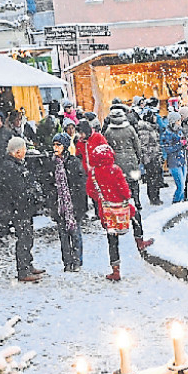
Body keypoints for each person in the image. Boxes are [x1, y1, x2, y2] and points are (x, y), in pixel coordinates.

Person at [0, 137, 45, 282]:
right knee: (24, 238)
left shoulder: (15, 164)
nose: (25, 151)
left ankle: (28, 264)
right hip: (19, 209)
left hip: (23, 208)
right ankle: (23, 270)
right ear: (17, 151)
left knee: (28, 237)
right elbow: (18, 190)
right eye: (23, 149)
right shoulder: (10, 167)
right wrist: (30, 196)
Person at [87, 143, 138, 282]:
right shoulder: (115, 170)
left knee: (112, 240)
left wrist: (102, 198)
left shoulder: (93, 172)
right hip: (120, 207)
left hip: (106, 211)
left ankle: (115, 270)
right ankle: (140, 241)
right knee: (136, 218)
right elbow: (125, 192)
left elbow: (90, 190)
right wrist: (126, 195)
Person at [43, 133, 87, 272]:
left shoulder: (73, 162)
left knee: (75, 234)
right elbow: (48, 185)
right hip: (59, 205)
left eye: (58, 145)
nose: (55, 148)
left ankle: (77, 261)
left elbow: (80, 186)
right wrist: (51, 203)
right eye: (54, 145)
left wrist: (80, 206)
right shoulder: (51, 163)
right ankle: (67, 262)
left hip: (73, 205)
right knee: (63, 236)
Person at [102, 106, 144, 211]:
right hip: (131, 158)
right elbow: (137, 144)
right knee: (134, 181)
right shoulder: (129, 129)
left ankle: (123, 201)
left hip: (117, 160)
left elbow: (107, 147)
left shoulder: (108, 131)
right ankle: (137, 200)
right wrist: (139, 157)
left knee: (120, 182)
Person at [136, 109, 165, 206]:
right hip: (150, 159)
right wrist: (147, 160)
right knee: (152, 179)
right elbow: (143, 146)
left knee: (156, 179)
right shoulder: (145, 129)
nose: (155, 118)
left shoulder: (153, 128)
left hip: (155, 157)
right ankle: (153, 198)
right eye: (153, 116)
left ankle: (156, 196)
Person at [160, 112, 188, 203]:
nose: (180, 122)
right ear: (174, 121)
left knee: (183, 186)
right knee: (180, 186)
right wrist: (180, 144)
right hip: (174, 162)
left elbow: (183, 142)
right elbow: (168, 149)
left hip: (182, 160)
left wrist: (186, 144)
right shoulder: (167, 133)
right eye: (178, 120)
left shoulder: (180, 131)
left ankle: (180, 203)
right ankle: (176, 203)